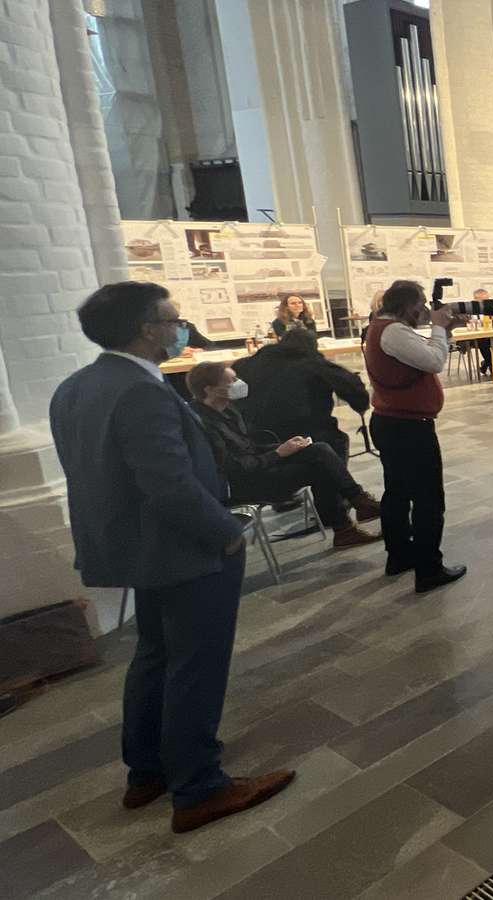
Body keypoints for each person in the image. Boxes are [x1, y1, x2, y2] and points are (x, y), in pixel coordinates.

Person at [48, 281, 294, 834]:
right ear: (146, 329)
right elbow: (168, 483)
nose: (180, 326)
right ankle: (200, 787)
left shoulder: (75, 386)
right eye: (173, 318)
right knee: (195, 664)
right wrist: (225, 532)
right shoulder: (142, 391)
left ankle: (148, 771)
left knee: (155, 655)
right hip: (181, 550)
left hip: (131, 547)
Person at [185, 362, 381, 549]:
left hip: (259, 469)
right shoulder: (204, 424)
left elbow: (249, 446)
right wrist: (278, 453)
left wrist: (286, 447)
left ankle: (353, 513)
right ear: (210, 390)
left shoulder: (228, 411)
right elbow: (235, 468)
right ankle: (355, 508)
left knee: (318, 452)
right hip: (244, 485)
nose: (239, 384)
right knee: (320, 462)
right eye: (231, 381)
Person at [363, 279, 469, 593]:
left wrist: (444, 332)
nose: (424, 309)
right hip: (407, 427)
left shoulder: (384, 328)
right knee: (427, 499)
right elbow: (433, 361)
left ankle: (400, 555)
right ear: (407, 305)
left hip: (394, 422)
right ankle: (428, 568)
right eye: (420, 303)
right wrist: (438, 327)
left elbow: (421, 358)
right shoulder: (393, 331)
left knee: (397, 492)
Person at [232, 328, 369, 460]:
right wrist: (361, 405)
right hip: (304, 431)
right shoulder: (313, 363)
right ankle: (334, 482)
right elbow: (351, 386)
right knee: (337, 442)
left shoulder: (246, 364)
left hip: (255, 433)